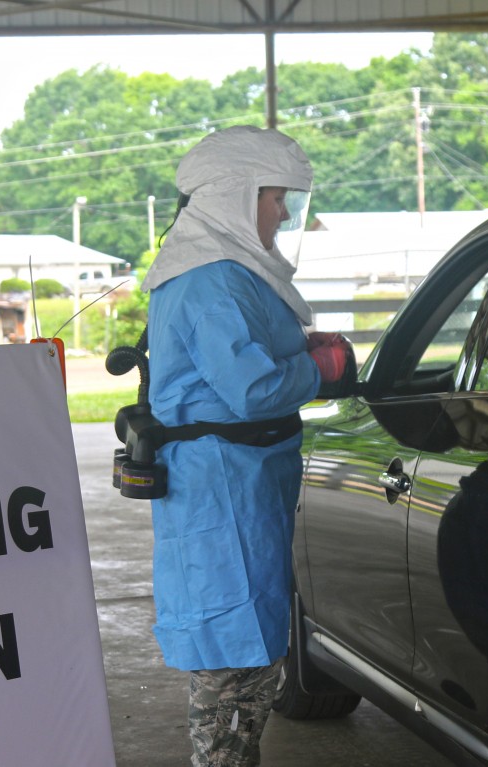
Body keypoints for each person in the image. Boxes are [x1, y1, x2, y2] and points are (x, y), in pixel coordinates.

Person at [139, 126, 353, 767]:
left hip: (243, 482)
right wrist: (322, 371)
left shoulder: (231, 271)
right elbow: (253, 387)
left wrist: (305, 350)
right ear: (236, 196)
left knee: (248, 651)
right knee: (231, 666)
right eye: (275, 197)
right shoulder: (210, 281)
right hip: (221, 488)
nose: (284, 212)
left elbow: (252, 358)